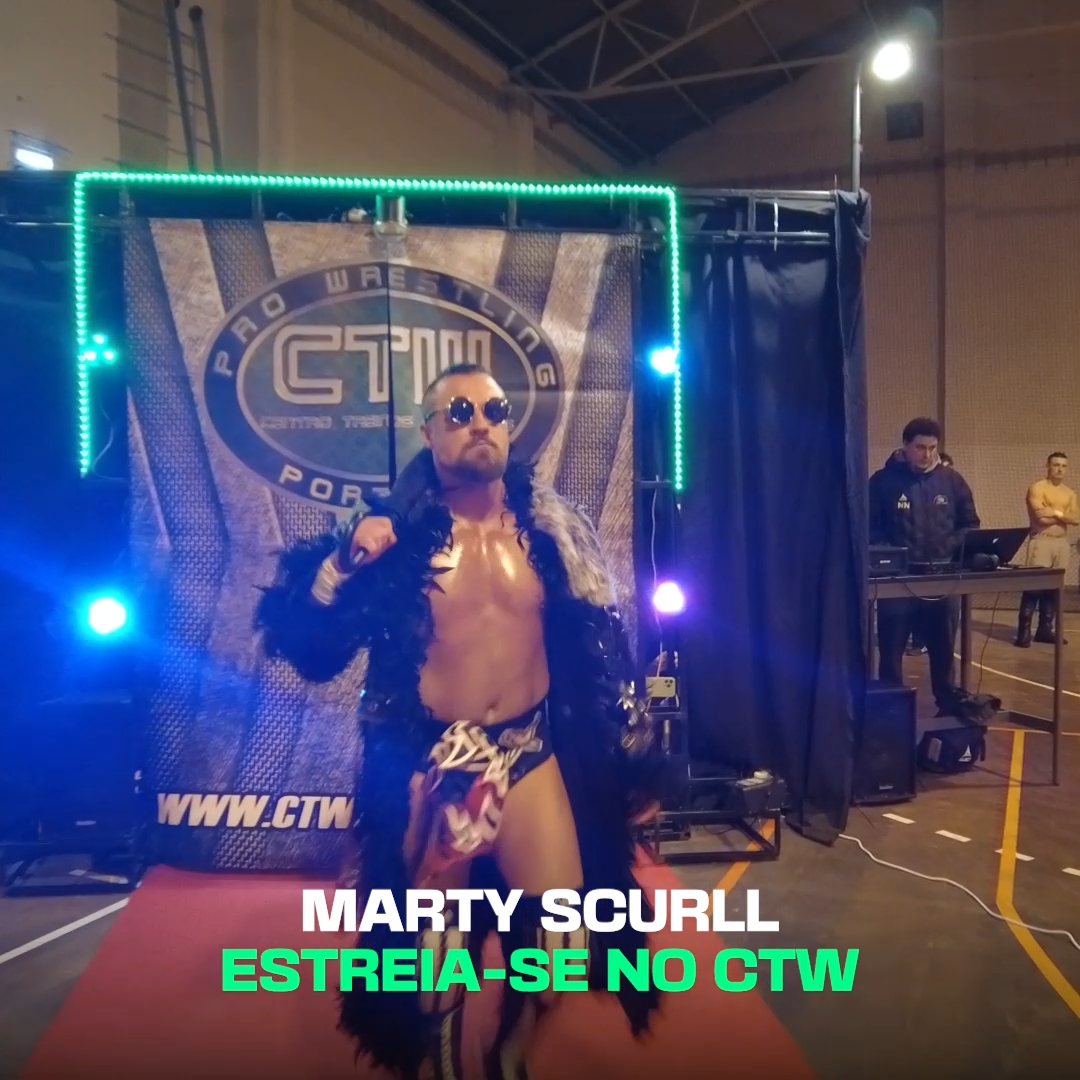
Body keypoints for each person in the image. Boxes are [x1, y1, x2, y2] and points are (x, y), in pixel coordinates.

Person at [254, 363, 665, 1080]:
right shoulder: (394, 539)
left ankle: (510, 1054)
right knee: (434, 950)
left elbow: (602, 645)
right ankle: (442, 1066)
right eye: (460, 411)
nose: (480, 423)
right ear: (428, 432)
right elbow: (313, 652)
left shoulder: (553, 534)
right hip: (431, 759)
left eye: (494, 410)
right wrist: (340, 566)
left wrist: (631, 748)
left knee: (562, 943)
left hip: (529, 749)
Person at [869, 418, 980, 713]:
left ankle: (948, 710)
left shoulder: (952, 481)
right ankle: (890, 715)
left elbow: (970, 524)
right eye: (920, 447)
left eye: (932, 448)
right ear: (905, 446)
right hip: (898, 583)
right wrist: (891, 554)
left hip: (943, 582)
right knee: (891, 653)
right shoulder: (882, 482)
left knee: (943, 653)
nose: (927, 454)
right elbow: (867, 525)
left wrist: (950, 548)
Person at [1015, 452, 1078, 648]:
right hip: (1042, 540)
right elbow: (1041, 518)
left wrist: (1055, 512)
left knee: (1054, 588)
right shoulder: (1038, 488)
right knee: (1034, 586)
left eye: (1063, 466)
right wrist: (1064, 516)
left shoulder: (1069, 493)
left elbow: (1076, 518)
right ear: (1048, 467)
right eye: (1056, 465)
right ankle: (1023, 633)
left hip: (1061, 543)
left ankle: (1045, 630)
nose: (1060, 469)